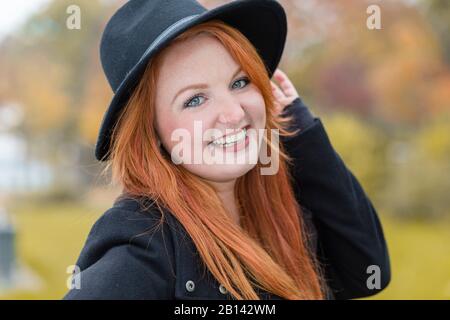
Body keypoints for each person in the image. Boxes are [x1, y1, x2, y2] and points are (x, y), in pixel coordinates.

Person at [63, 0, 390, 300]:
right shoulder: (145, 246)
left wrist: (301, 131)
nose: (234, 113)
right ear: (152, 132)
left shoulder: (276, 202)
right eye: (195, 99)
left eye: (240, 82)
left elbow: (367, 271)